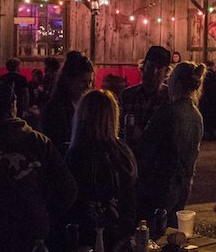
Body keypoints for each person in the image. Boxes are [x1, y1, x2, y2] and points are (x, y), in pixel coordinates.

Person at [0, 81, 77, 252]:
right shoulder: (38, 142)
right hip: (29, 236)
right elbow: (67, 189)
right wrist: (41, 214)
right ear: (12, 105)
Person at [64, 90, 138, 251]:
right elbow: (130, 200)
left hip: (87, 239)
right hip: (120, 238)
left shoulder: (77, 155)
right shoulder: (123, 153)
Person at [136, 62, 206, 226]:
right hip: (184, 184)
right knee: (172, 231)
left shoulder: (168, 112)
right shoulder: (197, 116)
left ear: (175, 83)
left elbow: (146, 147)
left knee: (153, 230)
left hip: (161, 183)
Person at [42, 51, 94, 155]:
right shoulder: (55, 108)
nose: (87, 87)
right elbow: (54, 145)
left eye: (90, 82)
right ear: (68, 80)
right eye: (82, 81)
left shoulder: (88, 105)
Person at [120, 46, 171, 146]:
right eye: (151, 66)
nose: (154, 72)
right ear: (143, 67)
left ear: (166, 72)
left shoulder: (169, 98)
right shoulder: (127, 95)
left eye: (159, 68)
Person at [200, 60, 216, 140]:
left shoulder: (204, 76)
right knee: (215, 118)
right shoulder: (212, 75)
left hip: (206, 100)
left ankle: (209, 134)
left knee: (207, 118)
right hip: (213, 101)